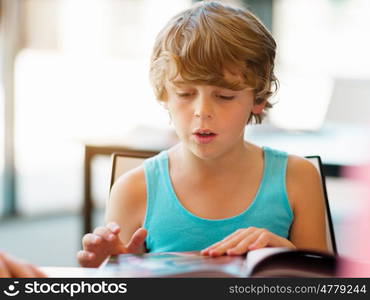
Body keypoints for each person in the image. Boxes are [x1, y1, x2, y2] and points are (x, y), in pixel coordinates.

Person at [77, 1, 328, 268]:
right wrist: (111, 272)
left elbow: (324, 284)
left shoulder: (297, 178)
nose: (203, 111)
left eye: (224, 96)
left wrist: (286, 253)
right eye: (185, 94)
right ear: (164, 96)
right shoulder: (133, 190)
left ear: (258, 99)